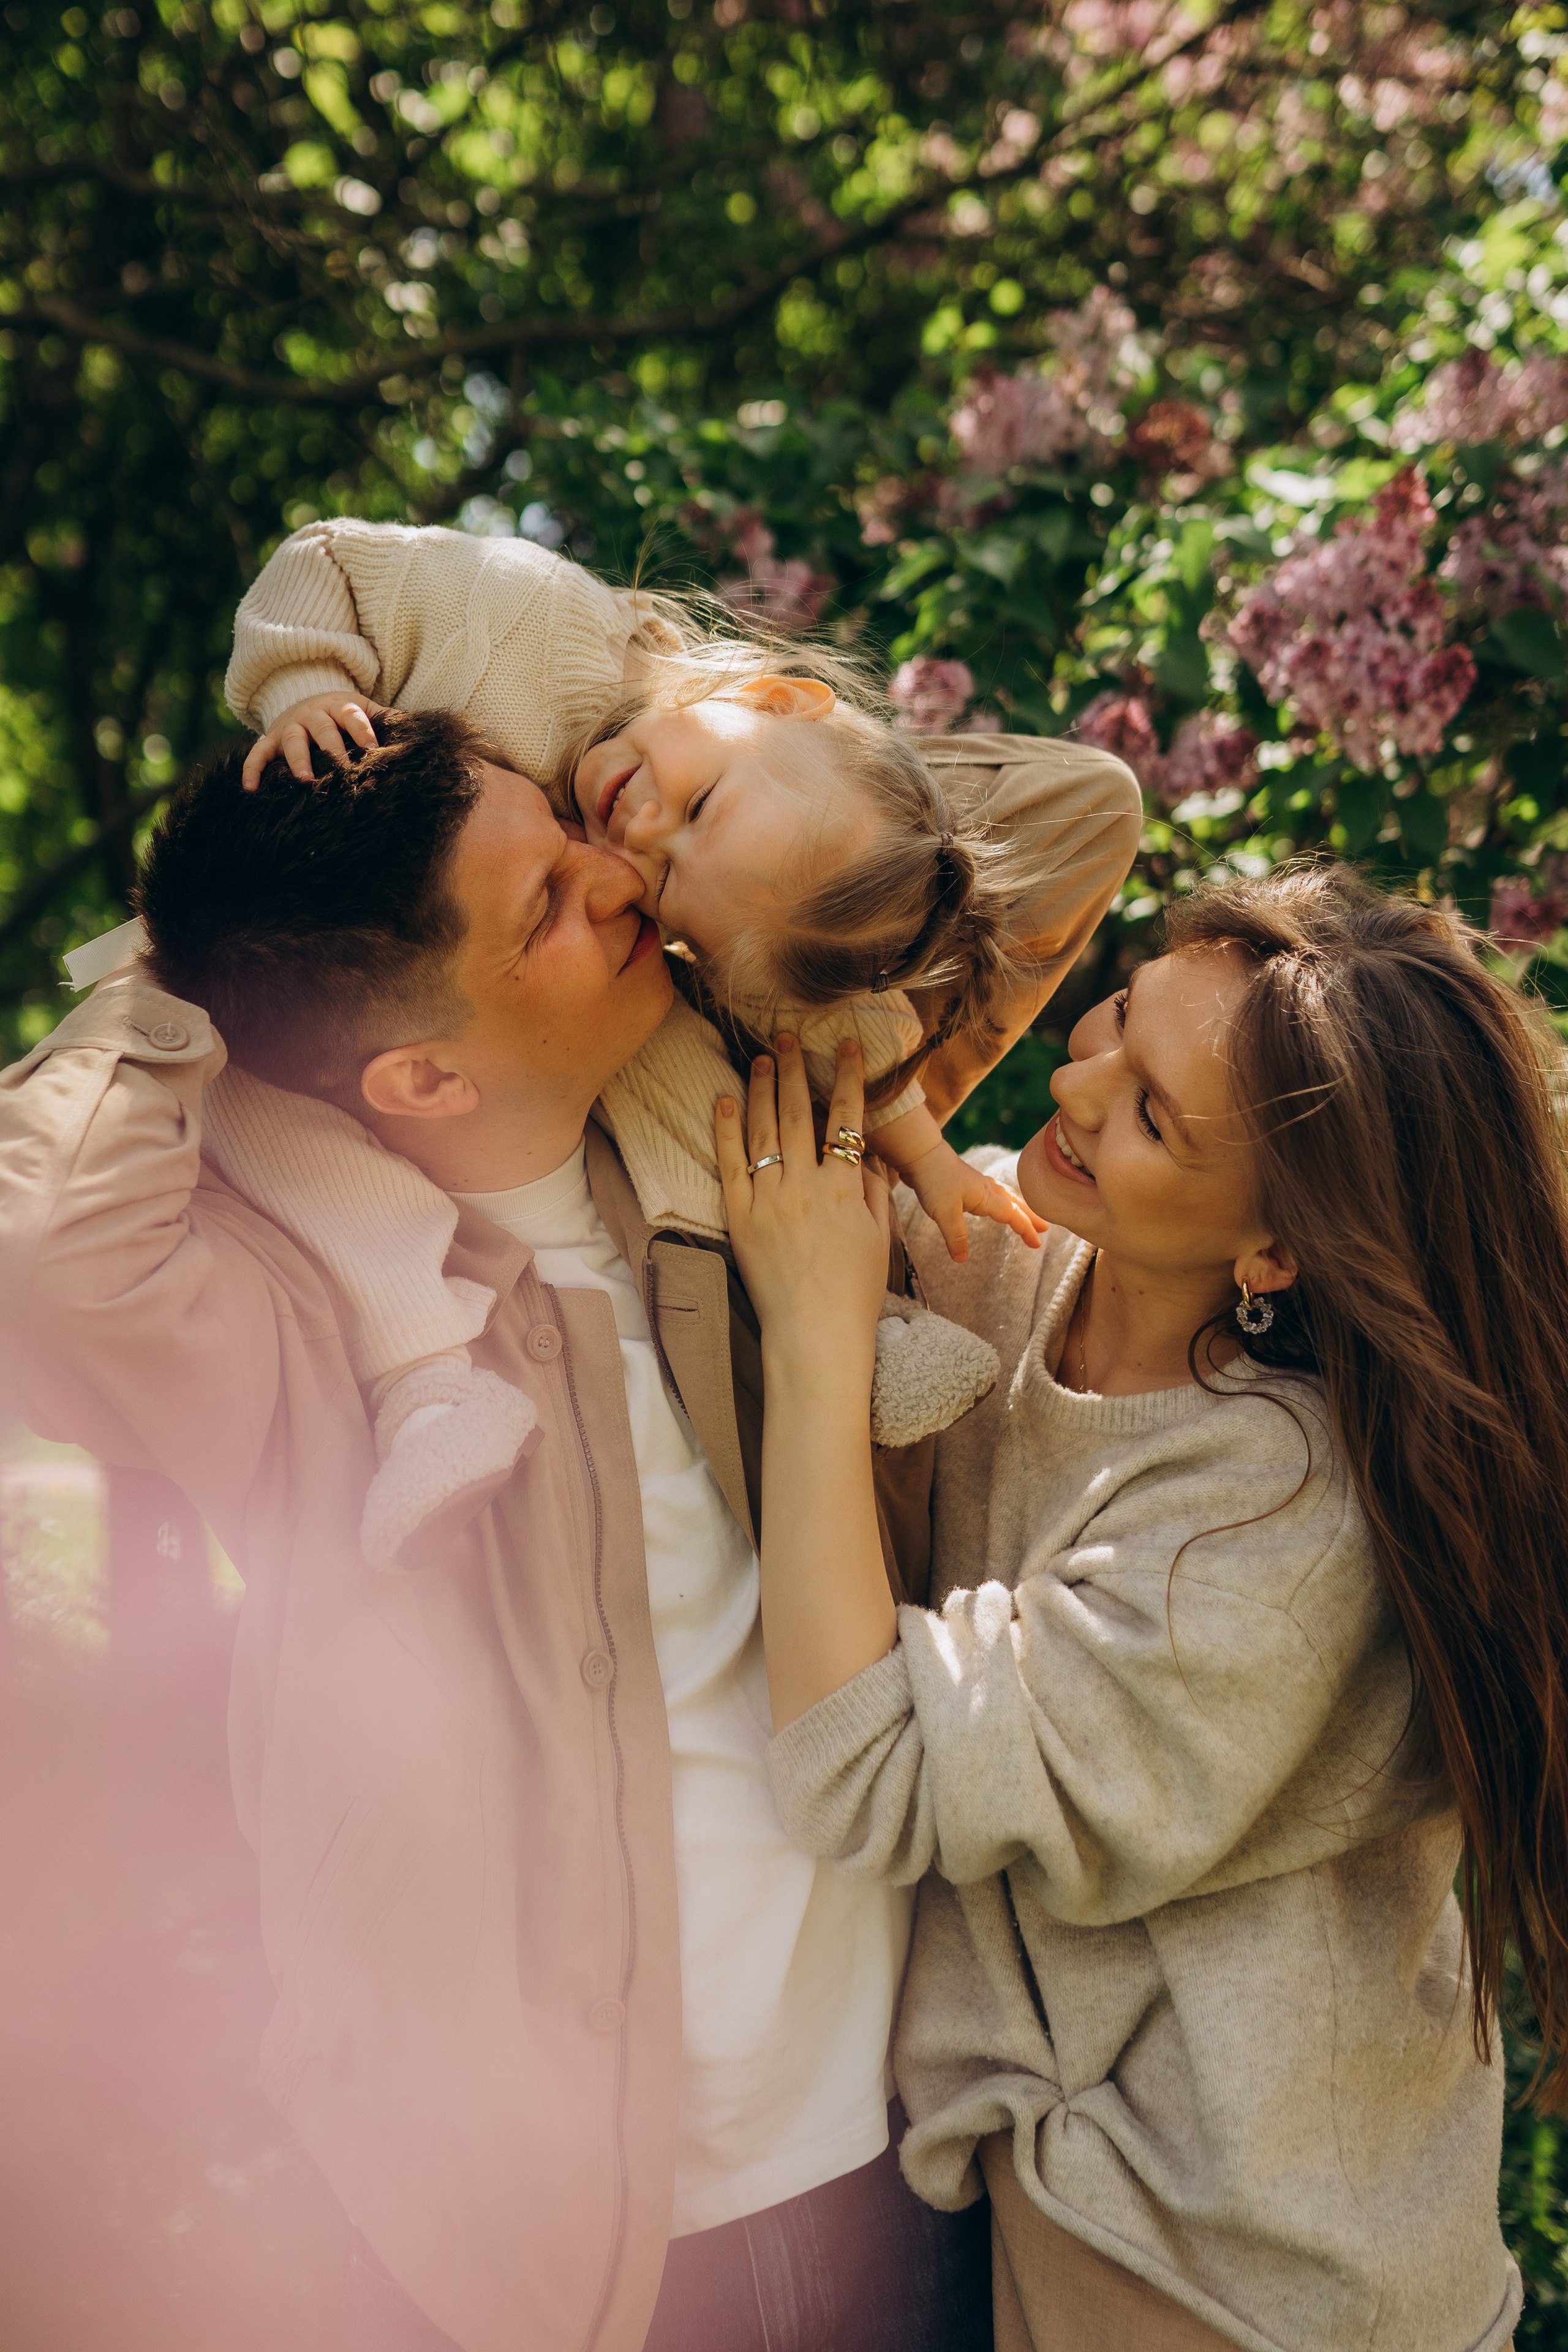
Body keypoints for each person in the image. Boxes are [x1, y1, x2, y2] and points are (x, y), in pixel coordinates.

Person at [0, 704, 1129, 2352]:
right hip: (566, 2261)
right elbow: (43, 1248)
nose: (623, 879)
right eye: (548, 901)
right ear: (420, 1071)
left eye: (583, 840)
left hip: (900, 2170)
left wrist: (639, 730)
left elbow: (1068, 812)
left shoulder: (776, 1116)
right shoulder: (302, 1331)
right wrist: (188, 965)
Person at [716, 862, 1558, 2352]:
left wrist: (817, 1333)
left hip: (1239, 2283)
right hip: (1061, 2222)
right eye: (1113, 1011)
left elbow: (862, 1768)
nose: (1077, 1078)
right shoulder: (1014, 1263)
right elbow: (1032, 807)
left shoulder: (1273, 1529)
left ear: (1275, 1251)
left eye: (1154, 1113)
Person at [193, 518, 1137, 1565]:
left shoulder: (681, 919)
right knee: (309, 1156)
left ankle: (871, 1322)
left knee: (735, 1092)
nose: (638, 835)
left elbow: (856, 1005)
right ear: (776, 694)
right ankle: (422, 1377)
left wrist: (923, 1153)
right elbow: (327, 559)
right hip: (354, 963)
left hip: (626, 1050)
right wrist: (304, 688)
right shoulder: (535, 626)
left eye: (676, 880)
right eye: (701, 799)